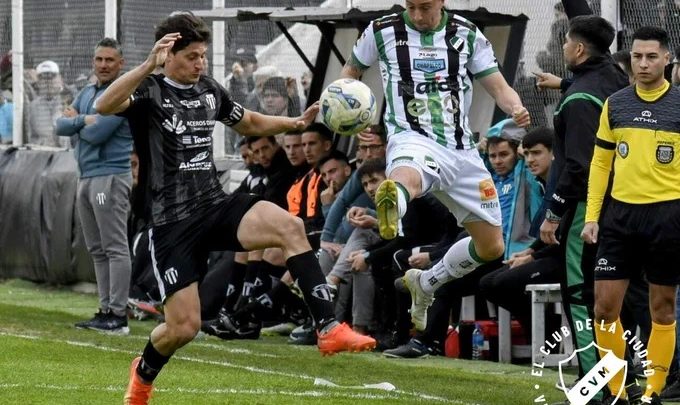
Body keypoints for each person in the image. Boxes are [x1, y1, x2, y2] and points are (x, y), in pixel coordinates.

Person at [94, 13, 375, 404]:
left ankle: (327, 327)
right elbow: (104, 104)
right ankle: (142, 377)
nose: (200, 64)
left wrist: (294, 123)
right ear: (167, 55)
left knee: (290, 227)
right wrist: (146, 66)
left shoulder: (209, 89)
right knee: (183, 328)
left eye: (203, 55)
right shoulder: (149, 90)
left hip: (214, 204)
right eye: (192, 56)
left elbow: (249, 122)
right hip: (171, 223)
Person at [342, 0, 530, 331]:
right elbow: (350, 73)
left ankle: (426, 282)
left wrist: (516, 107)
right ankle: (393, 200)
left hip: (462, 151)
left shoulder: (466, 34)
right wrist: (346, 105)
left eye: (425, 7)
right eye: (412, 6)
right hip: (411, 138)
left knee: (491, 246)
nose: (418, 16)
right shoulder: (382, 31)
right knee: (408, 177)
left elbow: (499, 87)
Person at [581, 26, 679, 405]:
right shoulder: (615, 104)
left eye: (652, 56)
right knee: (604, 308)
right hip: (620, 217)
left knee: (662, 309)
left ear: (667, 59)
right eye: (637, 56)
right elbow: (600, 164)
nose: (643, 63)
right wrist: (592, 216)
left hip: (668, 216)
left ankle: (652, 392)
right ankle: (618, 391)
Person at [535, 16, 628, 399]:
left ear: (577, 48)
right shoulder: (617, 79)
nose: (562, 48)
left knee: (580, 295)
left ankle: (596, 385)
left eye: (566, 42)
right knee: (618, 297)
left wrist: (554, 213)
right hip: (627, 205)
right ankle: (622, 380)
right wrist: (562, 84)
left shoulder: (577, 101)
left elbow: (579, 166)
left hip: (588, 212)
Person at [55, 38, 133, 334]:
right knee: (97, 249)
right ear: (93, 61)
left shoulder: (122, 93)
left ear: (121, 64)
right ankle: (105, 310)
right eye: (99, 59)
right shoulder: (87, 91)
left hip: (110, 176)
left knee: (114, 246)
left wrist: (77, 122)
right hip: (86, 176)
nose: (103, 65)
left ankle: (118, 314)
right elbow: (59, 126)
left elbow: (98, 133)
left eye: (110, 60)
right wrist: (84, 121)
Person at [28, 60, 67, 147]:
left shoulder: (72, 101)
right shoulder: (32, 107)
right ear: (38, 83)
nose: (47, 82)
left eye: (51, 77)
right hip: (43, 153)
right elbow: (31, 137)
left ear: (60, 79)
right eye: (43, 78)